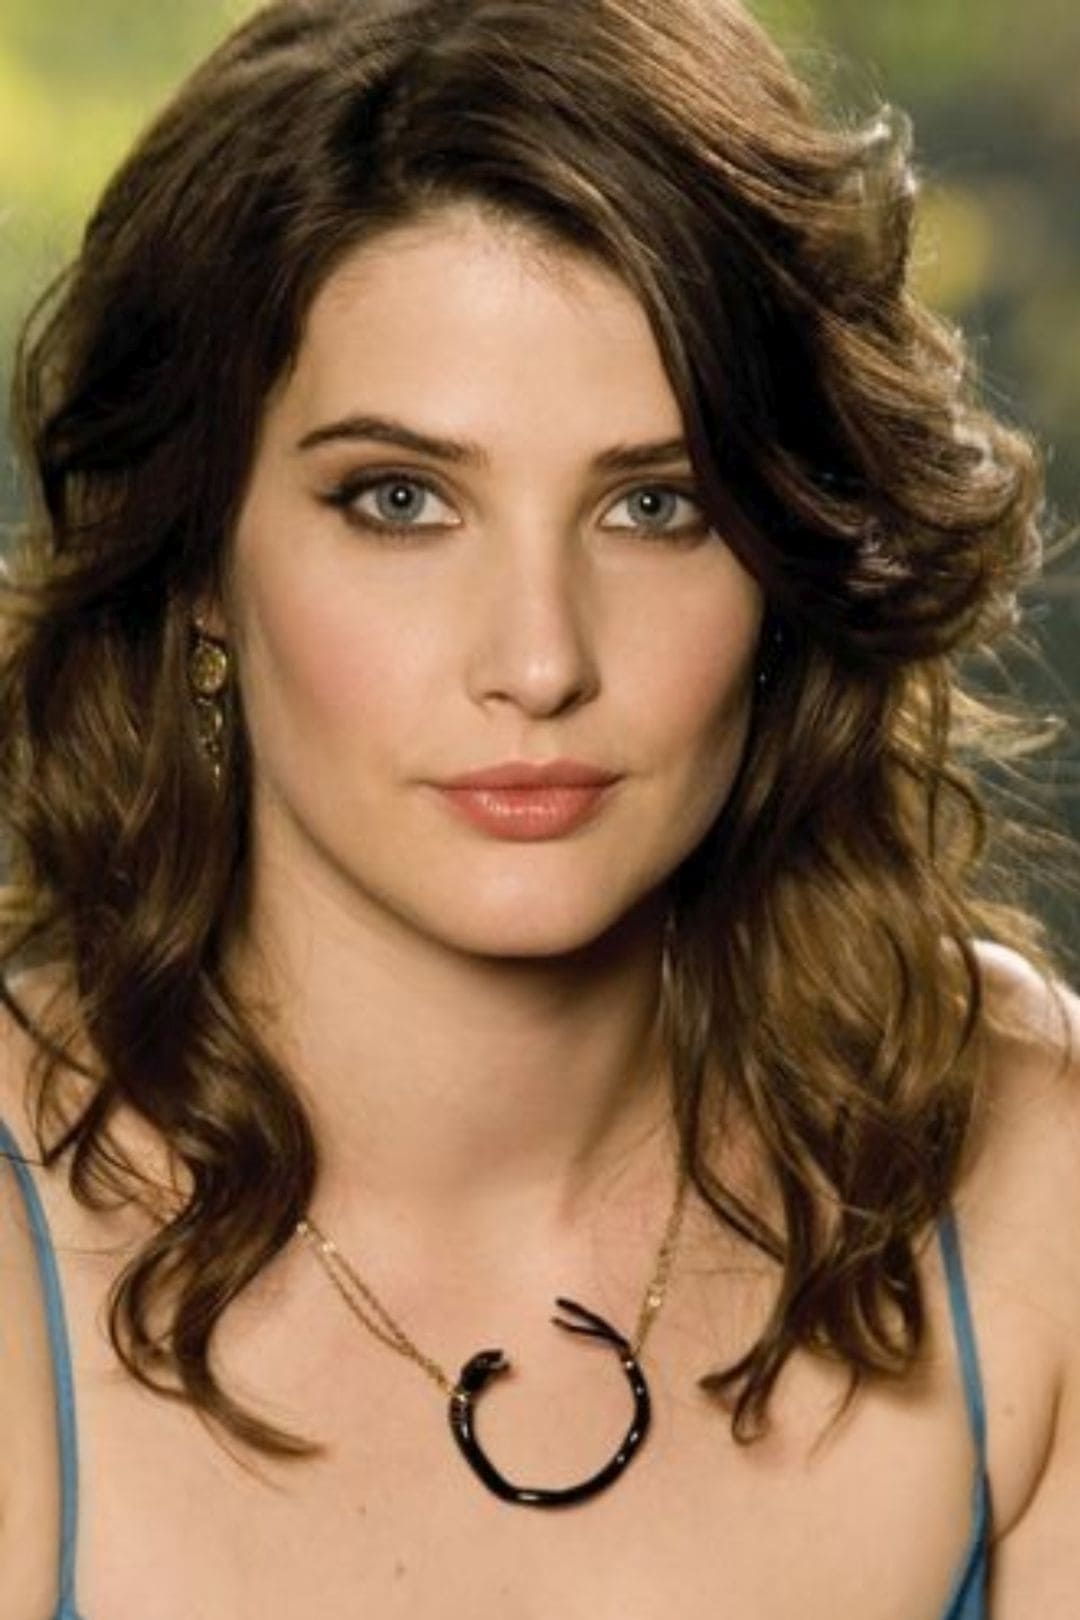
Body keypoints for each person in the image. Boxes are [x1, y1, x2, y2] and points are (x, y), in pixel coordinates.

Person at [0, 0, 1076, 1614]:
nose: (540, 660)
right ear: (200, 563)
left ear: (786, 558)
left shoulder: (1031, 1164)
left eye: (657, 506)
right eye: (400, 501)